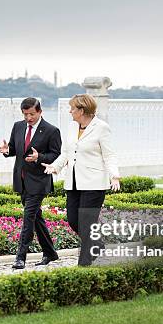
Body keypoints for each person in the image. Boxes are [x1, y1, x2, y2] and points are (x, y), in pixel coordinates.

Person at [42, 94, 120, 266]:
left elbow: (109, 155)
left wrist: (114, 175)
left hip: (94, 183)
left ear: (82, 110)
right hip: (73, 182)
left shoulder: (101, 127)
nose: (70, 111)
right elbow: (66, 153)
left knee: (86, 223)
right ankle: (98, 244)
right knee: (73, 220)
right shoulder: (72, 127)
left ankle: (84, 263)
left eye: (72, 108)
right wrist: (55, 167)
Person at [0, 97, 62, 269]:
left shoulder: (51, 130)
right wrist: (7, 151)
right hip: (21, 180)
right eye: (25, 114)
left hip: (39, 181)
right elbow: (14, 148)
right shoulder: (18, 126)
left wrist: (39, 157)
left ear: (40, 112)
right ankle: (50, 253)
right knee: (36, 218)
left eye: (32, 114)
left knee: (28, 218)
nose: (28, 118)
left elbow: (56, 155)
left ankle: (20, 257)